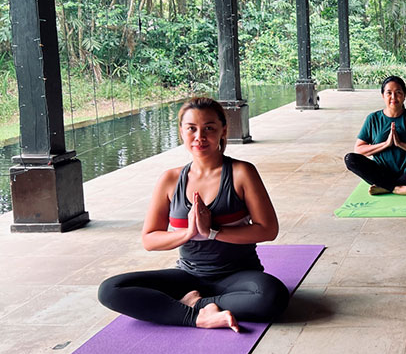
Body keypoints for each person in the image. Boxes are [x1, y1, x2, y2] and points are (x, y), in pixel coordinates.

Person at [97, 97, 289, 332]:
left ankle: (196, 305)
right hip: (188, 276)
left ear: (223, 131)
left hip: (238, 277)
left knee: (272, 296)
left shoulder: (241, 172)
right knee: (110, 290)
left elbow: (268, 230)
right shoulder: (170, 179)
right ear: (181, 132)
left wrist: (212, 232)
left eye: (209, 128)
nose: (200, 136)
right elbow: (150, 239)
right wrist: (188, 233)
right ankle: (198, 317)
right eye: (192, 129)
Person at [344, 75, 406, 196]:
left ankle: (386, 186)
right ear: (383, 96)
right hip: (381, 172)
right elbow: (358, 149)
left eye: (398, 92)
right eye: (389, 93)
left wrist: (401, 144)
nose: (393, 97)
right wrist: (386, 144)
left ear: (404, 95)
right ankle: (398, 188)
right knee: (350, 159)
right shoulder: (373, 119)